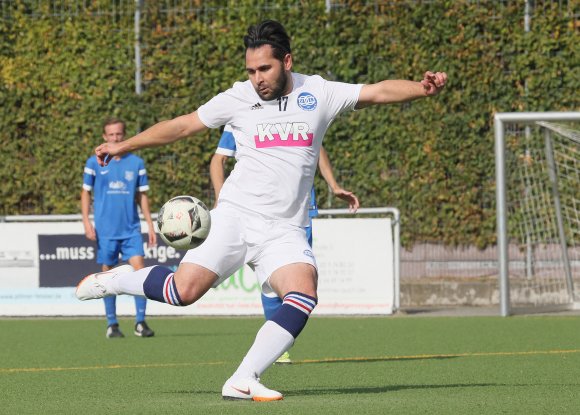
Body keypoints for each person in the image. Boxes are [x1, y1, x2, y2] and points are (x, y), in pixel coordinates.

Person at [76, 20, 446, 400]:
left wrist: (422, 89)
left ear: (286, 61)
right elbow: (182, 126)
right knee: (181, 293)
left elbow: (378, 91)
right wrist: (123, 146)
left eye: (264, 69)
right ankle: (117, 281)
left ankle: (243, 377)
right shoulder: (237, 97)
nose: (257, 79)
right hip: (235, 216)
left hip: (285, 228)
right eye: (251, 71)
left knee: (303, 293)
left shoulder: (317, 92)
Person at [210, 127, 359, 364]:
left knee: (300, 284)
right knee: (269, 277)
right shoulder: (241, 114)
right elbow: (218, 160)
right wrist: (221, 201)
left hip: (301, 211)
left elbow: (315, 146)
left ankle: (275, 341)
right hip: (260, 211)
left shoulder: (299, 108)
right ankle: (275, 347)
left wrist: (334, 185)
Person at [81, 117, 157, 338]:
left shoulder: (137, 163)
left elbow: (142, 196)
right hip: (106, 231)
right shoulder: (93, 163)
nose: (115, 138)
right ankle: (112, 324)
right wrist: (86, 221)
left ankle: (141, 323)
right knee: (106, 278)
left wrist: (150, 225)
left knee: (140, 272)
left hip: (131, 229)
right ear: (105, 137)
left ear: (124, 136)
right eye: (111, 135)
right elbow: (85, 192)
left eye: (119, 134)